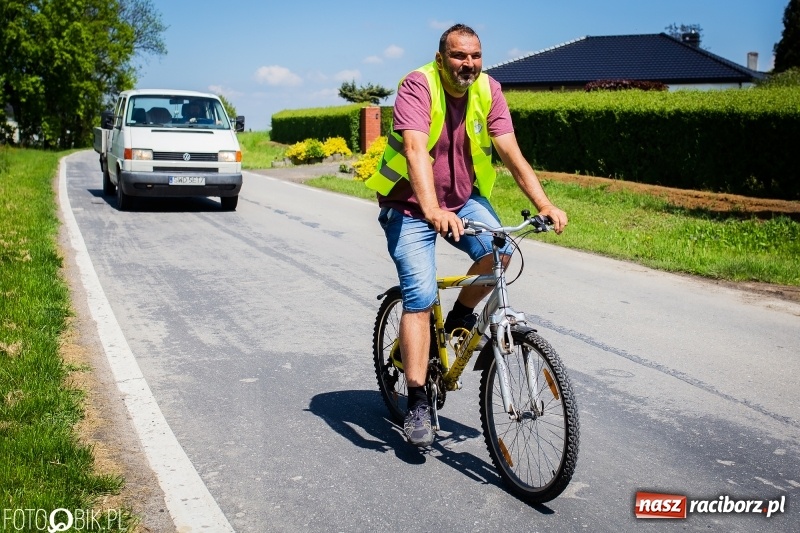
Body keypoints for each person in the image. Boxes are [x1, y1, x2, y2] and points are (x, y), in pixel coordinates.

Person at [366, 23, 568, 447]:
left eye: (475, 56)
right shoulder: (418, 85)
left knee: (503, 251)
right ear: (442, 59)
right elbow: (416, 150)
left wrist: (545, 203)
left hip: (461, 201)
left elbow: (511, 153)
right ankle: (419, 402)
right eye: (459, 56)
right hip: (408, 205)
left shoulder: (489, 90)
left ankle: (460, 317)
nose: (468, 64)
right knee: (420, 296)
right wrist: (431, 209)